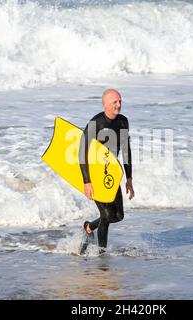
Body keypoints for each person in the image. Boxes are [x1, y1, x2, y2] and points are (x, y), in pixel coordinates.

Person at [79, 89, 134, 253]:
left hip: (110, 174)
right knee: (106, 215)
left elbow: (126, 150)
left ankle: (89, 227)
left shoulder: (123, 122)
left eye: (120, 101)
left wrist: (129, 178)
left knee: (117, 216)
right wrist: (86, 181)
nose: (119, 105)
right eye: (114, 102)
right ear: (105, 104)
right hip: (95, 174)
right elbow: (81, 151)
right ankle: (101, 253)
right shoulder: (96, 123)